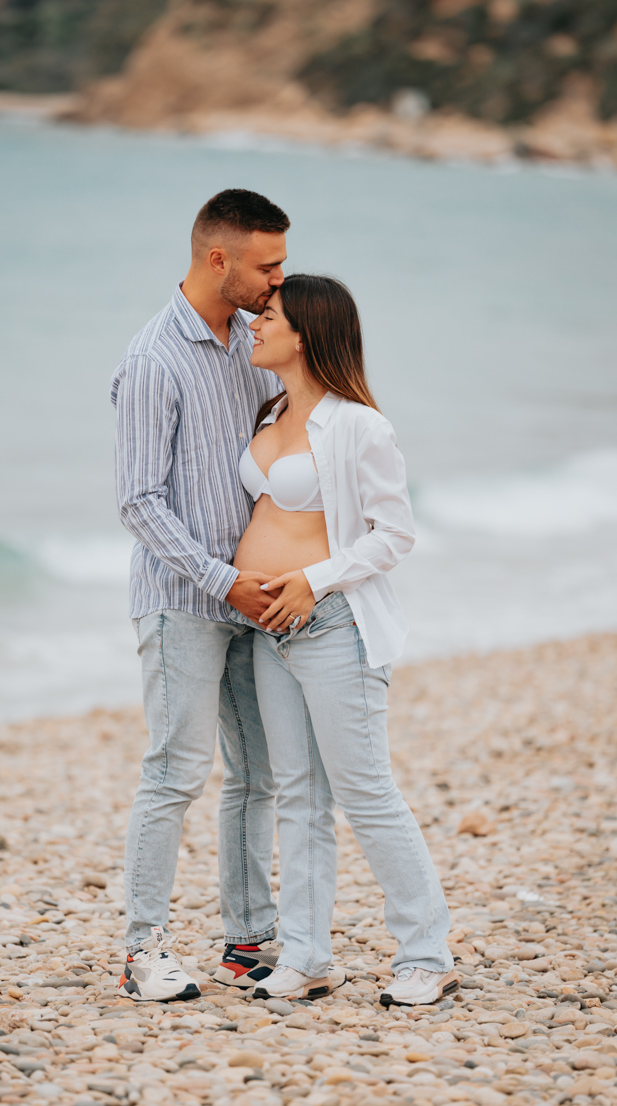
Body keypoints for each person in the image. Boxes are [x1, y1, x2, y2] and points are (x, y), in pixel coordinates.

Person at [233, 274, 459, 1006]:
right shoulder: (268, 416)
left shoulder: (359, 424)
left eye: (268, 315)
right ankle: (306, 956)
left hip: (332, 626)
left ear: (306, 332)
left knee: (365, 793)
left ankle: (427, 954)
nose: (255, 325)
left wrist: (314, 580)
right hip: (268, 635)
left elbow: (395, 534)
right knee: (297, 795)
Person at [111, 189, 291, 1002]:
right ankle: (142, 950)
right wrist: (225, 582)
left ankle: (248, 942)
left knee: (256, 771)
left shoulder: (252, 343)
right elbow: (140, 501)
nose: (278, 281)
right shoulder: (154, 359)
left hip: (252, 596)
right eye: (268, 266)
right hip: (184, 599)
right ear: (218, 258)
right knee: (175, 772)